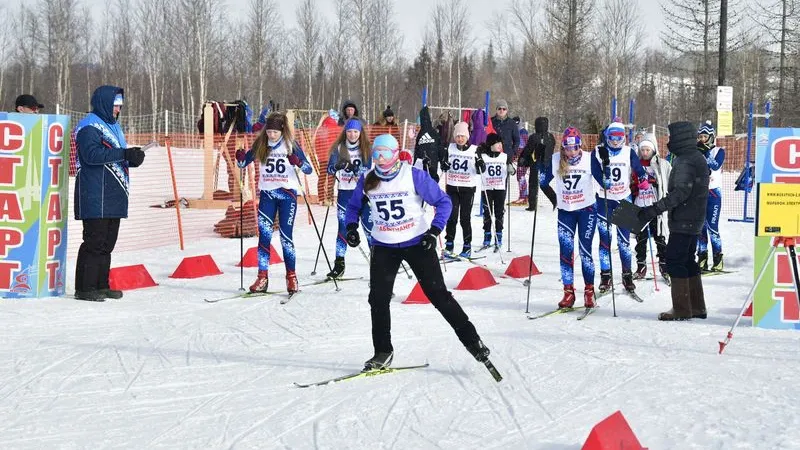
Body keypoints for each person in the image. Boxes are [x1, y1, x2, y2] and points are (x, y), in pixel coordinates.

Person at [343, 134, 491, 370]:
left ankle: (473, 342)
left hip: (417, 243)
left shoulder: (412, 175)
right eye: (376, 153)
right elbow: (353, 207)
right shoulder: (368, 179)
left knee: (438, 295)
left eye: (385, 153)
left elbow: (443, 202)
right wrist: (350, 227)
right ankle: (383, 351)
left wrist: (434, 231)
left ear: (396, 153)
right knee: (378, 299)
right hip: (384, 245)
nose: (380, 159)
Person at [73, 86, 146, 301]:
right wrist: (124, 153)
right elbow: (91, 155)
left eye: (120, 105)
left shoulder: (113, 126)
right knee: (94, 242)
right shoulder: (89, 126)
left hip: (113, 194)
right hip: (95, 193)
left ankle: (101, 285)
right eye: (115, 105)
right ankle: (85, 288)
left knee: (107, 243)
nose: (118, 109)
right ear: (104, 103)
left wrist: (131, 158)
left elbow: (112, 157)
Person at [635, 121, 709, 321]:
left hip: (685, 219)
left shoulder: (686, 160)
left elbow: (681, 193)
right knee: (688, 261)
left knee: (675, 260)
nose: (668, 141)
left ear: (680, 138)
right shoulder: (694, 157)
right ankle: (696, 307)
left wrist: (654, 209)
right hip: (693, 218)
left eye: (671, 137)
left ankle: (682, 308)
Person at [235, 112, 314, 294]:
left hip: (287, 196)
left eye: (275, 132)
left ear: (282, 130)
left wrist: (299, 162)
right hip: (268, 195)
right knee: (264, 237)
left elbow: (308, 169)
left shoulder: (290, 145)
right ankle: (262, 278)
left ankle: (291, 278)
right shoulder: (261, 143)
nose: (271, 135)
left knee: (286, 238)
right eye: (269, 131)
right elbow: (242, 164)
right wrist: (240, 157)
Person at [540, 127, 604, 309]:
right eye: (568, 148)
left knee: (585, 252)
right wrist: (539, 163)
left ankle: (589, 292)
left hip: (587, 210)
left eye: (575, 148)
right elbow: (543, 182)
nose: (571, 152)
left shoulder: (589, 158)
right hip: (566, 212)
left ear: (579, 145)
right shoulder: (556, 160)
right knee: (565, 252)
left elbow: (604, 182)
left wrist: (605, 165)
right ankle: (568, 293)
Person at [595, 122, 651, 295]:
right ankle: (606, 275)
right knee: (605, 240)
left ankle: (627, 275)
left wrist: (642, 179)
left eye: (619, 138)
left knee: (624, 241)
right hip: (604, 200)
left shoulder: (629, 151)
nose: (615, 141)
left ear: (624, 138)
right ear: (607, 136)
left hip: (624, 199)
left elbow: (638, 168)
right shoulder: (598, 151)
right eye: (612, 138)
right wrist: (601, 180)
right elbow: (594, 170)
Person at [325, 118, 373, 279]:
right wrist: (337, 166)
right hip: (345, 194)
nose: (352, 135)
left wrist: (354, 168)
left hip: (363, 195)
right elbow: (329, 170)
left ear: (360, 133)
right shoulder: (339, 148)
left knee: (369, 229)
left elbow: (367, 169)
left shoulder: (366, 148)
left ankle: (378, 263)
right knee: (343, 229)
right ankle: (339, 264)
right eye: (349, 131)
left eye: (355, 132)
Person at [442, 121, 484, 259]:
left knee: (465, 218)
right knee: (451, 218)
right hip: (453, 188)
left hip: (468, 188)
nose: (460, 139)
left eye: (462, 136)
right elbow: (443, 164)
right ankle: (449, 246)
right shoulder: (450, 148)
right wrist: (445, 164)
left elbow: (481, 169)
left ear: (467, 137)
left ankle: (467, 246)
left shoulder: (474, 149)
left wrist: (479, 164)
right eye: (458, 136)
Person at [632, 134, 671, 280]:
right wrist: (634, 186)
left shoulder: (661, 164)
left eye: (648, 150)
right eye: (643, 150)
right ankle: (641, 265)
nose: (645, 153)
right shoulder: (635, 164)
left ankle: (663, 264)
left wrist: (655, 182)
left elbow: (667, 180)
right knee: (641, 238)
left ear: (653, 150)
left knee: (659, 237)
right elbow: (630, 181)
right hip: (640, 205)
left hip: (655, 206)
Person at [696, 120, 725, 272]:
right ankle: (702, 258)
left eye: (705, 137)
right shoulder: (697, 151)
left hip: (713, 194)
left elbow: (715, 165)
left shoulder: (719, 150)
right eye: (700, 136)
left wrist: (705, 151)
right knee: (700, 228)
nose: (702, 139)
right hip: (699, 194)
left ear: (711, 137)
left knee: (712, 227)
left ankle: (718, 259)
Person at [478, 132, 514, 251]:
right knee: (487, 212)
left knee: (499, 213)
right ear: (490, 144)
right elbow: (478, 169)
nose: (499, 145)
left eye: (500, 143)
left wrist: (511, 169)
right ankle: (487, 236)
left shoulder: (504, 156)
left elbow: (512, 170)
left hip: (500, 188)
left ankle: (499, 236)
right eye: (496, 143)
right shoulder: (483, 156)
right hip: (487, 188)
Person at [521, 116, 558, 211]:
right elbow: (552, 148)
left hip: (536, 164)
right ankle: (555, 199)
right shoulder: (551, 137)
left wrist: (524, 159)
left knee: (533, 184)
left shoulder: (534, 137)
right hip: (547, 164)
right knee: (543, 184)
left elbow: (528, 150)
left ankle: (532, 205)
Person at [413, 106, 447, 182]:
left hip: (429, 160)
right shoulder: (427, 133)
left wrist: (442, 160)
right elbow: (440, 146)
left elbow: (440, 147)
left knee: (428, 178)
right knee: (429, 178)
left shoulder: (430, 133)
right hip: (427, 160)